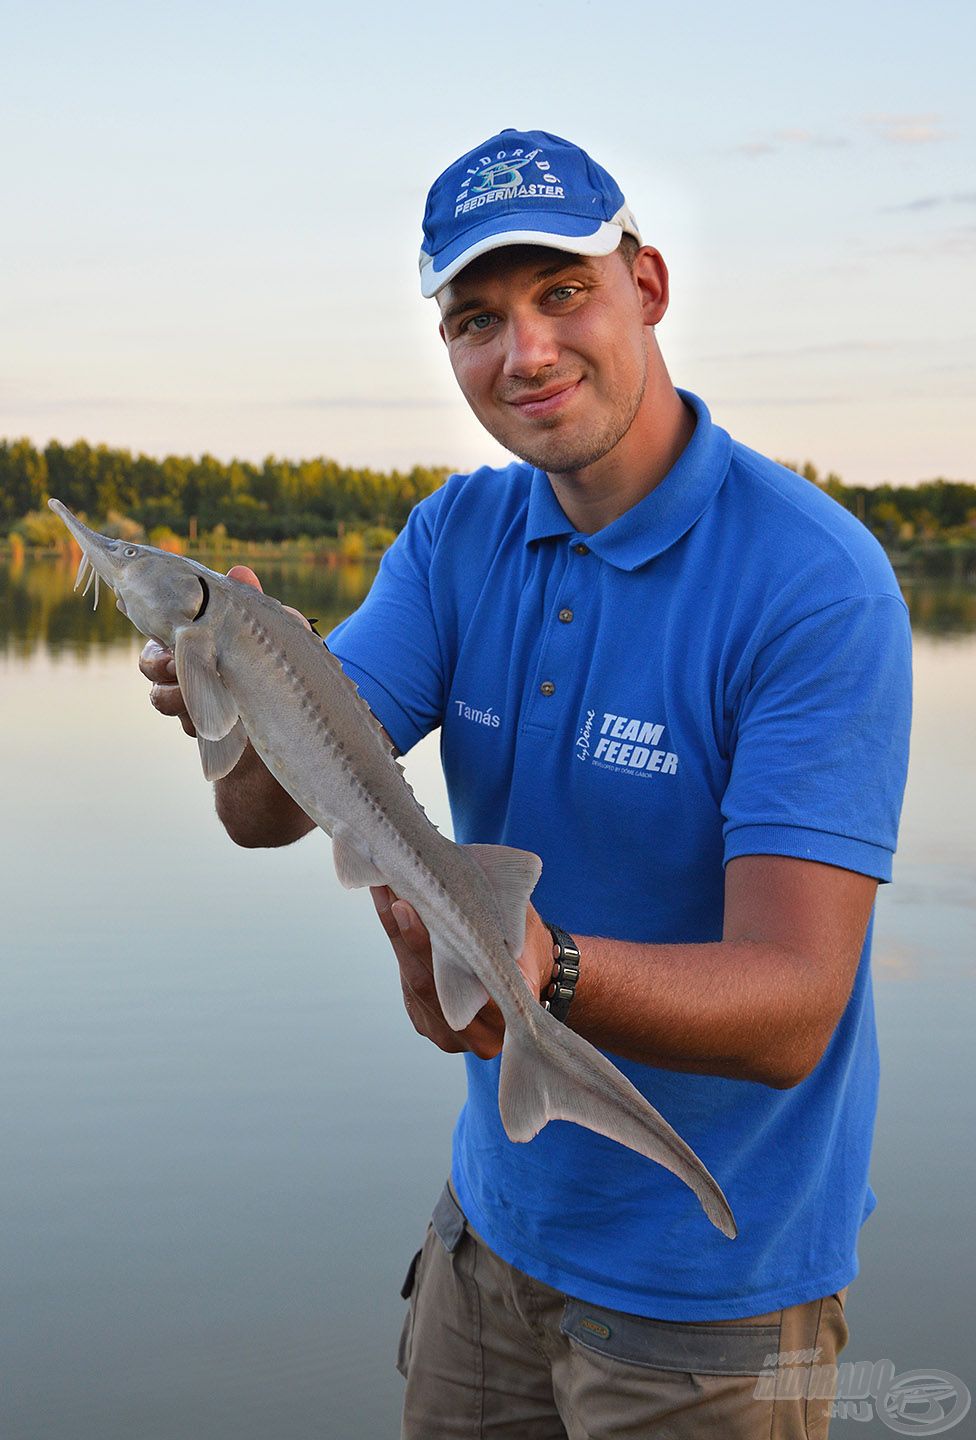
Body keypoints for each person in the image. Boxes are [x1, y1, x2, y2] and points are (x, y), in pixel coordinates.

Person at [141, 129, 913, 1439]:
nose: (527, 354)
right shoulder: (458, 538)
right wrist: (233, 690)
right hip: (488, 1247)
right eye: (477, 319)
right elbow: (266, 819)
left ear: (647, 286)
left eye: (564, 294)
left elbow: (794, 1011)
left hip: (707, 1301)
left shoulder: (812, 584)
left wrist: (541, 974)